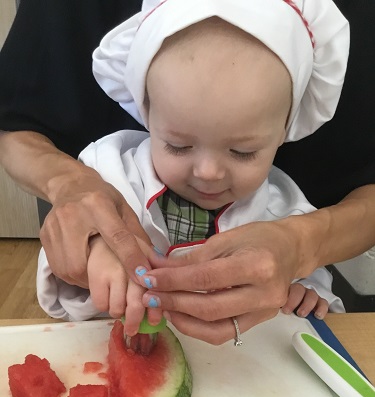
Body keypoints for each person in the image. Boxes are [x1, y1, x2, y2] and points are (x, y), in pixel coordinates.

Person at [0, 0, 374, 343]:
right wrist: (93, 257)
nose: (209, 172)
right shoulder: (110, 169)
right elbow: (61, 278)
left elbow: (313, 291)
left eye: (243, 152)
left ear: (283, 135)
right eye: (178, 145)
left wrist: (304, 297)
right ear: (147, 114)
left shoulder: (287, 207)